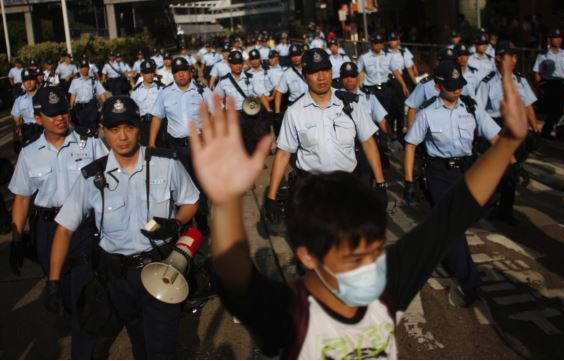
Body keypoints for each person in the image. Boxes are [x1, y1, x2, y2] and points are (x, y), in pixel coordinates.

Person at [187, 55, 529, 359]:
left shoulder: (386, 287)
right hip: (309, 188)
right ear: (307, 256)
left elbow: (452, 215)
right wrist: (226, 201)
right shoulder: (290, 316)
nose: (369, 268)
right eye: (351, 257)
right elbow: (237, 282)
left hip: (349, 182)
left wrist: (509, 141)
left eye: (373, 252)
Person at [48, 96, 199, 359]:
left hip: (161, 267)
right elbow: (64, 228)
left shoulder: (166, 163)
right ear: (103, 131)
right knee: (138, 341)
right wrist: (53, 281)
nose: (123, 136)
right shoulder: (92, 176)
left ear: (139, 127)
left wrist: (176, 222)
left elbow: (191, 200)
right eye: (114, 129)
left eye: (128, 127)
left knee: (161, 350)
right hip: (117, 277)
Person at [9, 86, 108, 358]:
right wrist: (17, 241)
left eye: (63, 111)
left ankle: (83, 351)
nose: (60, 118)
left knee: (83, 291)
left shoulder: (90, 143)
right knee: (60, 287)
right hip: (47, 229)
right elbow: (21, 199)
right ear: (39, 118)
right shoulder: (30, 154)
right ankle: (67, 306)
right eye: (52, 114)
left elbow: (109, 182)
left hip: (82, 228)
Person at [404, 61, 501, 306]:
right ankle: (470, 283)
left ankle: (447, 255)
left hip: (468, 172)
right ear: (438, 87)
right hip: (439, 175)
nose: (457, 90)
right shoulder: (427, 113)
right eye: (451, 86)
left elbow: (495, 136)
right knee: (453, 228)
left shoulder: (471, 107)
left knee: (453, 228)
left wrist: (507, 162)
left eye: (459, 85)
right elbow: (411, 145)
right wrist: (407, 180)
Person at [265, 49, 387, 221]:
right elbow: (283, 153)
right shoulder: (294, 112)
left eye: (325, 70)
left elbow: (368, 142)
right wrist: (271, 197)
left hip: (348, 187)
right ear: (304, 76)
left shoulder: (351, 104)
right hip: (313, 193)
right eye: (314, 72)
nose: (321, 77)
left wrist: (381, 184)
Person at [475, 41, 539, 226]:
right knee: (500, 172)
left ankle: (505, 210)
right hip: (495, 128)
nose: (509, 60)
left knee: (510, 174)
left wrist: (534, 130)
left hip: (515, 128)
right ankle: (494, 207)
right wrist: (480, 135)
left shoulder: (520, 80)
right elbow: (479, 111)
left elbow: (527, 106)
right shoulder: (487, 82)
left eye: (512, 56)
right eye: (504, 56)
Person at [149, 56, 214, 234]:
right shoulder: (165, 92)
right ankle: (184, 223)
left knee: (200, 185)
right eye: (177, 72)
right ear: (173, 74)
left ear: (190, 72)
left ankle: (202, 221)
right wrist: (151, 142)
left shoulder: (201, 91)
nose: (181, 75)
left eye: (183, 71)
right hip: (176, 147)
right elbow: (156, 117)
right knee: (179, 186)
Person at [358, 33, 410, 143]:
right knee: (373, 116)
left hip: (385, 89)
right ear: (372, 44)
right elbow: (357, 73)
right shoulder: (364, 58)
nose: (378, 45)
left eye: (380, 43)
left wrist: (404, 85)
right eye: (376, 43)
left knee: (385, 117)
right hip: (371, 90)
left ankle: (383, 143)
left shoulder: (388, 56)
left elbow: (396, 72)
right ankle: (373, 140)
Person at [215, 50, 270, 153]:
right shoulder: (223, 82)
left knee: (253, 140)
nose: (238, 66)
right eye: (235, 63)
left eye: (240, 63)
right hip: (235, 117)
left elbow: (261, 94)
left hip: (251, 114)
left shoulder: (251, 77)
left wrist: (268, 110)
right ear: (229, 64)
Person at [532, 28, 564, 139]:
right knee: (554, 109)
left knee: (561, 108)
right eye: (555, 38)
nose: (557, 40)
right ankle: (549, 131)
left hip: (562, 83)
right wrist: (537, 88)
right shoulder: (543, 55)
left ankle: (551, 130)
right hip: (548, 84)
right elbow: (537, 72)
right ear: (549, 40)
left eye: (559, 38)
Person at [404, 47, 457, 130]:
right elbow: (412, 108)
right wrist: (412, 134)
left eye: (452, 62)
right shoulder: (426, 84)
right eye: (445, 62)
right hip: (432, 130)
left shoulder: (460, 83)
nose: (449, 65)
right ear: (438, 63)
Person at [69, 59, 107, 136]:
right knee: (80, 133)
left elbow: (103, 97)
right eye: (82, 67)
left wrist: (102, 109)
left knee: (93, 132)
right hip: (79, 110)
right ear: (79, 69)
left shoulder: (94, 81)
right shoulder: (75, 82)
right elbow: (72, 99)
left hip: (91, 109)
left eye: (86, 67)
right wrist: (70, 110)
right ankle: (82, 147)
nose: (84, 69)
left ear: (89, 69)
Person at [132, 60, 163, 146]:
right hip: (144, 125)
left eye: (151, 72)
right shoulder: (136, 91)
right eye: (147, 73)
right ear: (141, 74)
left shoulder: (161, 88)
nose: (150, 75)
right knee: (147, 152)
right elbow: (134, 111)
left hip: (160, 124)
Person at [273, 44, 308, 122]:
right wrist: (277, 113)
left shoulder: (311, 69)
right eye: (293, 56)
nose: (296, 58)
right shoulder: (287, 74)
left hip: (311, 105)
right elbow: (279, 93)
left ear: (302, 54)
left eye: (298, 55)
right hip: (295, 108)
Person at [11, 69, 43, 148]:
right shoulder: (19, 100)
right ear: (23, 83)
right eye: (25, 80)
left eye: (31, 79)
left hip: (44, 131)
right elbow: (16, 122)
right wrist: (16, 140)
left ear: (35, 80)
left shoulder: (44, 96)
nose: (28, 83)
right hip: (28, 133)